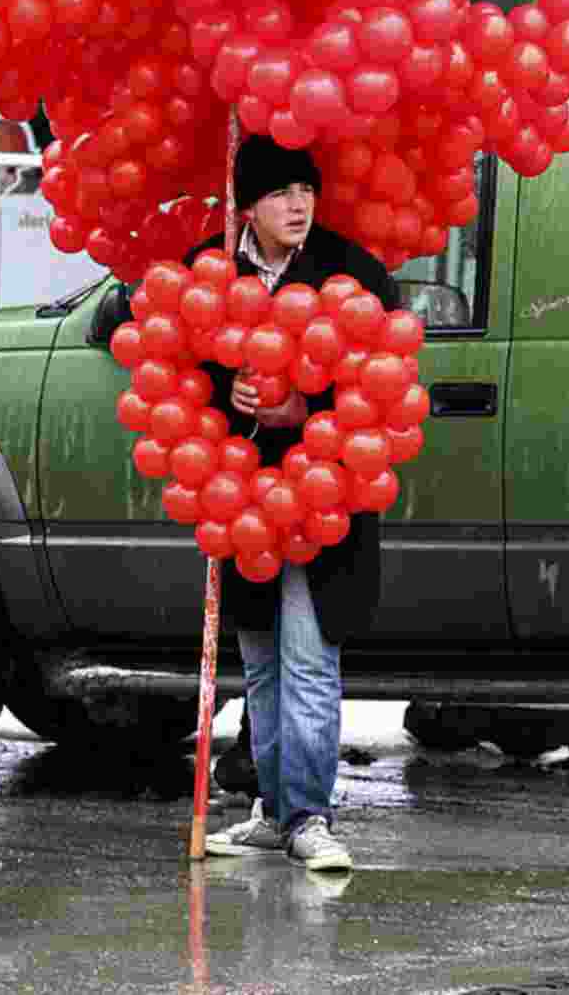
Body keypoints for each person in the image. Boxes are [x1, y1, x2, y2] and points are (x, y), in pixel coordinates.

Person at [186, 133, 400, 873]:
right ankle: (274, 813)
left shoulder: (350, 270)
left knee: (309, 658)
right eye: (281, 192)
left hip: (322, 496)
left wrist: (307, 405)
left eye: (305, 189)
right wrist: (229, 392)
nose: (298, 204)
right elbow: (177, 361)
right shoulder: (209, 270)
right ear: (249, 204)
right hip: (241, 497)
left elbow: (383, 360)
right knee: (265, 664)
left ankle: (311, 814)